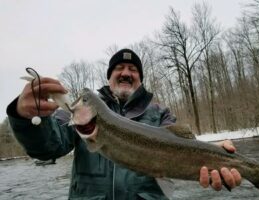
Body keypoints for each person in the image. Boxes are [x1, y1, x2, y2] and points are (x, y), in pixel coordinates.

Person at [7, 48, 241, 199]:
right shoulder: (79, 113)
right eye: (119, 68)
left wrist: (216, 154)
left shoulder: (160, 114)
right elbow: (47, 147)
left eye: (133, 69)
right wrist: (26, 118)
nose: (126, 73)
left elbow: (184, 147)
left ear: (140, 78)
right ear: (109, 77)